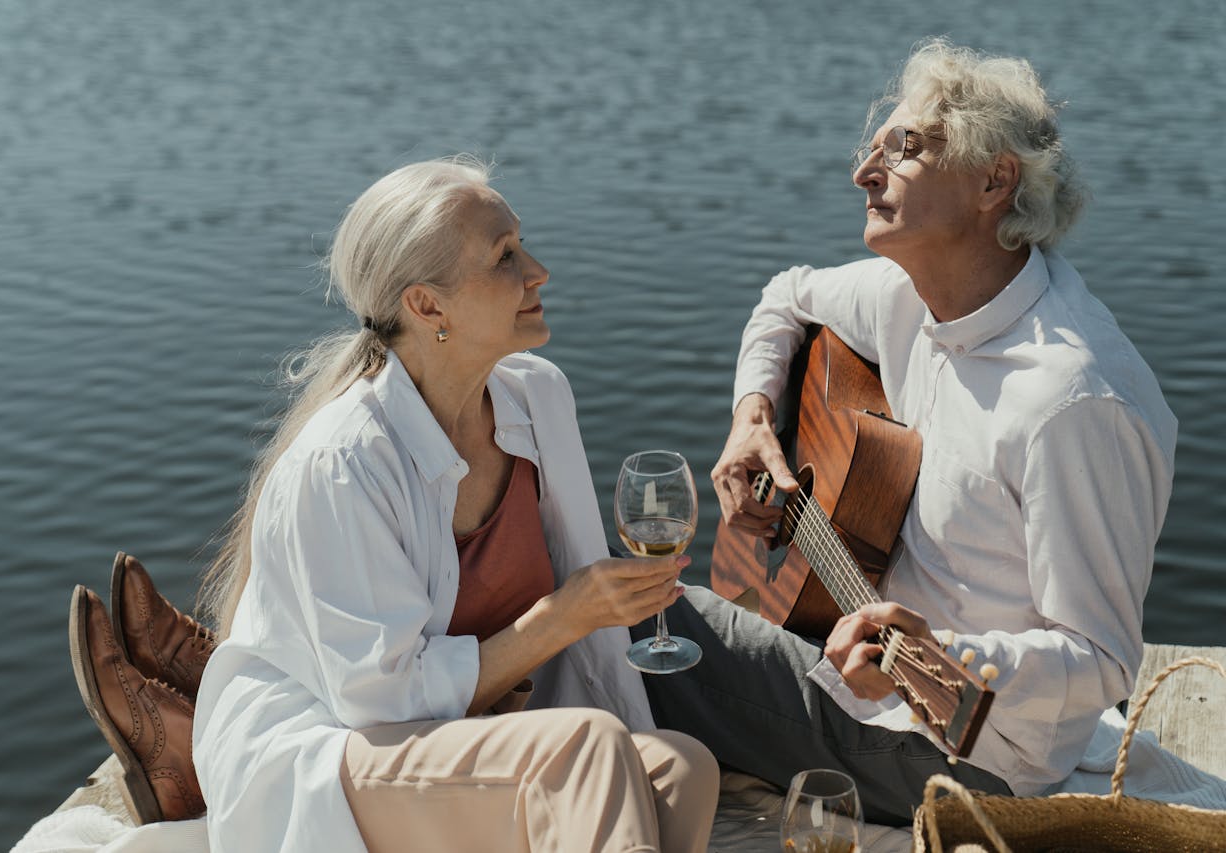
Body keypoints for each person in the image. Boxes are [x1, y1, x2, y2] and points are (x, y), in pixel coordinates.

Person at [75, 157, 722, 852]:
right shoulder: (344, 462)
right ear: (426, 305)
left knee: (683, 768)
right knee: (588, 749)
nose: (538, 270)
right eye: (505, 255)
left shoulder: (538, 396)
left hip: (456, 739)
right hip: (336, 749)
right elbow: (378, 703)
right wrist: (561, 617)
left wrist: (597, 635)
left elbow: (581, 644)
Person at [634, 38, 1178, 826]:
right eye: (873, 147)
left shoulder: (1073, 399)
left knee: (633, 619)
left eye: (906, 148)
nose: (864, 173)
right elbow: (785, 297)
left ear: (996, 181)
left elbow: (1101, 659)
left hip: (967, 751)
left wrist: (931, 655)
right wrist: (753, 418)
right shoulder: (909, 293)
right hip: (866, 665)